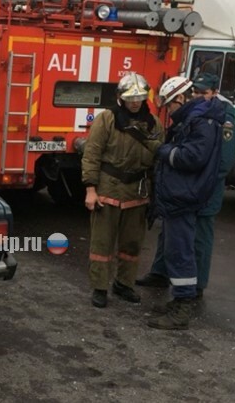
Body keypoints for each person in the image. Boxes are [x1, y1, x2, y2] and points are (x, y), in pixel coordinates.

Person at [136, 73, 235, 298]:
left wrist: (199, 184)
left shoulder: (221, 118)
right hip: (188, 186)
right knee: (170, 234)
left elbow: (222, 161)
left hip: (205, 187)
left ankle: (195, 285)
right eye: (197, 92)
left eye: (204, 93)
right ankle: (160, 273)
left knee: (198, 238)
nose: (199, 96)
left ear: (214, 92)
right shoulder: (195, 116)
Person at [82, 73, 164, 308]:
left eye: (139, 97)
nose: (135, 102)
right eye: (130, 97)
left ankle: (123, 284)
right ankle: (100, 287)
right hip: (108, 189)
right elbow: (92, 155)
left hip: (138, 192)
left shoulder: (154, 124)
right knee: (102, 244)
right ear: (120, 98)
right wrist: (91, 189)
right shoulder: (106, 119)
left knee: (132, 244)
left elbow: (158, 159)